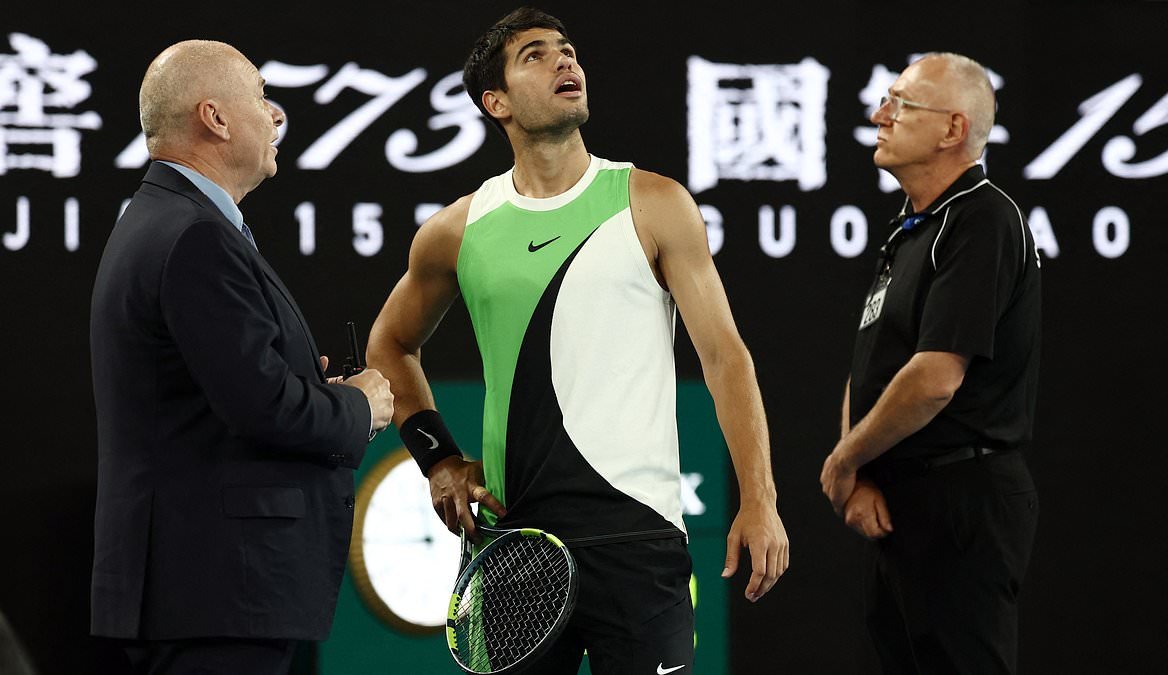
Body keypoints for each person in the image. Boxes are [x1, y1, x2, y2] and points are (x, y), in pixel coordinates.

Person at [366, 8, 788, 674]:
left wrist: (759, 497)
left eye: (567, 51)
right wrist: (439, 460)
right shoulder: (457, 229)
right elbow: (388, 346)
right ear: (495, 101)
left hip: (640, 544)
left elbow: (724, 356)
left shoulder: (654, 202)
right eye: (535, 55)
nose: (566, 62)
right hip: (515, 545)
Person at [89, 40, 393, 675]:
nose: (277, 116)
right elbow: (265, 407)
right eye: (261, 97)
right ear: (215, 118)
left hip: (200, 590)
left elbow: (229, 388)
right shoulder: (195, 234)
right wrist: (357, 404)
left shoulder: (163, 220)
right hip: (217, 588)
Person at [820, 53, 1041, 674]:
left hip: (962, 500)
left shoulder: (982, 218)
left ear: (952, 130)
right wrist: (861, 472)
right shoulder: (913, 226)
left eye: (900, 104)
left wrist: (845, 460)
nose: (878, 115)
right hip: (904, 499)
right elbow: (870, 365)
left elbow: (934, 379)